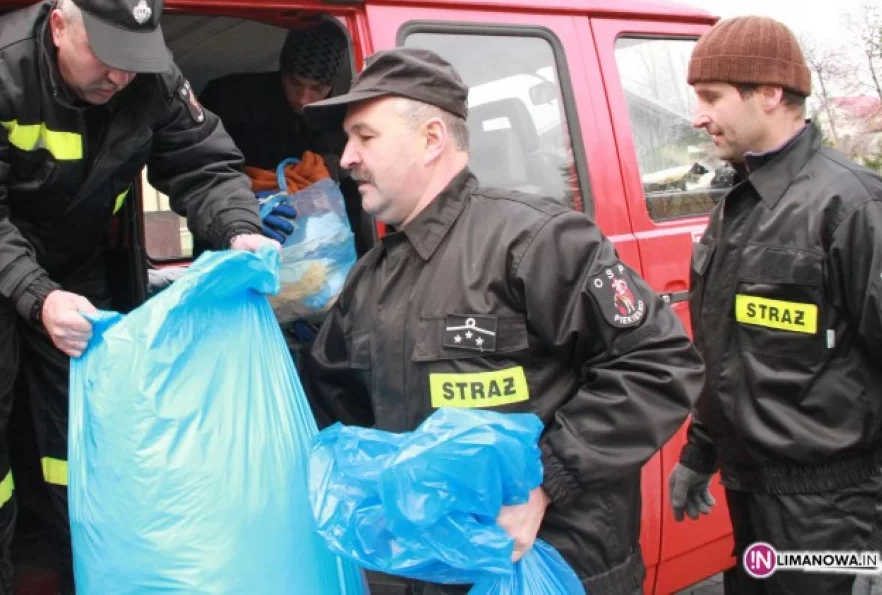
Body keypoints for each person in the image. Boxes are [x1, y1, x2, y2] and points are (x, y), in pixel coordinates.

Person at [302, 47, 705, 595]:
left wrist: (544, 481)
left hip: (552, 569)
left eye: (365, 137)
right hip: (432, 573)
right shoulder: (370, 279)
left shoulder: (538, 241)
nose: (345, 158)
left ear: (431, 138)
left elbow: (660, 364)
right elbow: (332, 401)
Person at [0, 0, 273, 594]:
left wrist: (239, 231)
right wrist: (36, 296)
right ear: (60, 24)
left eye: (134, 58)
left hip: (79, 267)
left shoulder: (151, 77)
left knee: (83, 434)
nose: (120, 76)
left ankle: (88, 569)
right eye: (108, 55)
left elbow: (204, 164)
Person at [668, 15, 882, 595]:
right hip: (755, 506)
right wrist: (701, 451)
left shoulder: (855, 208)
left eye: (711, 97)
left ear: (770, 94)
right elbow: (725, 349)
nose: (698, 115)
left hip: (834, 520)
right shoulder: (739, 204)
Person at [201, 18, 350, 244]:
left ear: (331, 86)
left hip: (315, 247)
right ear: (282, 71)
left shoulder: (341, 121)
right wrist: (245, 206)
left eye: (317, 88)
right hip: (230, 237)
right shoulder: (229, 99)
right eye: (295, 83)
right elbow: (197, 173)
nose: (303, 98)